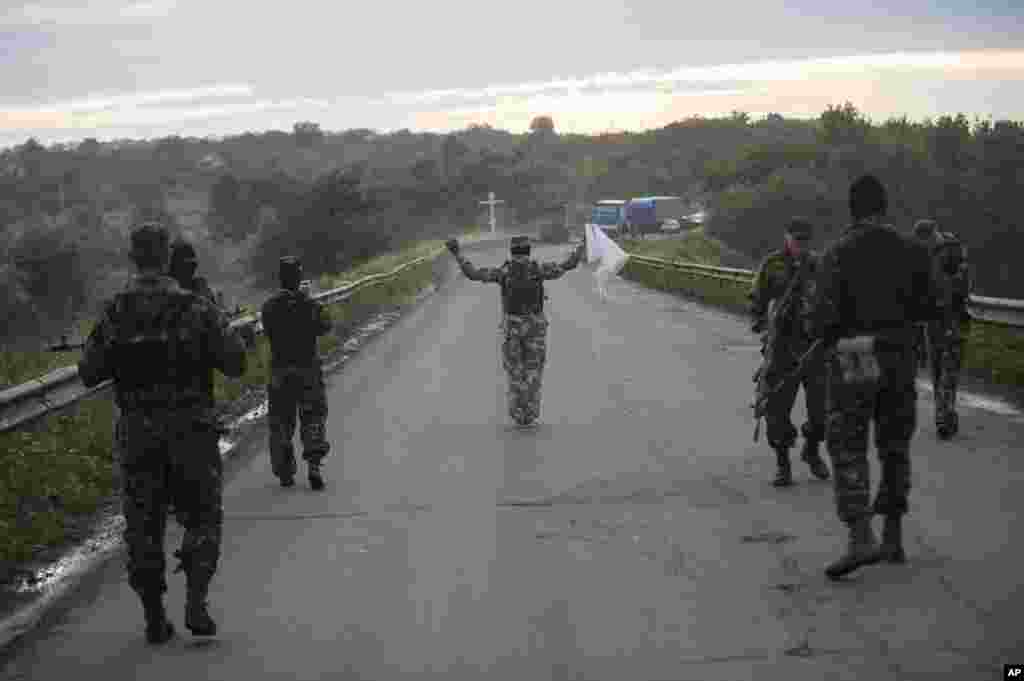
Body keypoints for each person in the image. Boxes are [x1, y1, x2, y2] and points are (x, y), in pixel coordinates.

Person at [78, 222, 247, 643]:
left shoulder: (116, 310)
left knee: (143, 524)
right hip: (192, 430)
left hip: (138, 433)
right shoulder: (196, 307)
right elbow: (235, 362)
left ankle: (154, 616)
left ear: (132, 257)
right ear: (167, 255)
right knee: (202, 516)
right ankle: (196, 601)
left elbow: (89, 371)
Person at [807, 175, 938, 580]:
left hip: (855, 354)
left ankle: (862, 534)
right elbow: (930, 306)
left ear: (852, 209)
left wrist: (827, 335)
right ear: (885, 207)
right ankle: (893, 536)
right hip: (899, 354)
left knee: (848, 444)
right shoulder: (913, 251)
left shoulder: (837, 253)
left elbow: (822, 319)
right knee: (895, 445)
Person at [447, 235, 583, 428]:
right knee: (533, 370)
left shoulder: (504, 271)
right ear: (529, 251)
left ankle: (518, 412)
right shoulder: (538, 269)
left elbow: (473, 273)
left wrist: (457, 254)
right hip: (535, 327)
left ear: (512, 252)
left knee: (514, 371)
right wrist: (582, 248)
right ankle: (531, 413)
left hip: (512, 328)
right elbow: (568, 265)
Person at [749, 218, 831, 487]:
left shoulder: (820, 265)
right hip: (782, 349)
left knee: (823, 411)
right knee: (777, 412)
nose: (800, 245)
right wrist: (763, 325)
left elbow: (834, 300)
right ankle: (782, 463)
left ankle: (812, 450)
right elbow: (757, 300)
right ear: (786, 237)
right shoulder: (772, 265)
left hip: (814, 348)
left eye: (805, 241)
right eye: (796, 240)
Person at [260, 256, 333, 490]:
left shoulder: (269, 306)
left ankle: (284, 472)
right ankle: (313, 467)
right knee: (313, 417)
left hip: (280, 371)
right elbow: (326, 326)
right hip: (308, 369)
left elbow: (267, 330)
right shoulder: (310, 304)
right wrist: (307, 299)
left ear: (280, 278)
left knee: (281, 422)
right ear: (299, 278)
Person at [912, 219, 972, 439]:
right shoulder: (931, 254)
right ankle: (945, 414)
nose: (923, 243)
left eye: (924, 239)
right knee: (940, 373)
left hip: (950, 322)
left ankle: (943, 417)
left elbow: (959, 288)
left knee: (946, 373)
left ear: (932, 234)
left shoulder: (951, 252)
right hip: (937, 323)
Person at [168, 238, 218, 305]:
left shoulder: (199, 286)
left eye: (192, 265)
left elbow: (214, 308)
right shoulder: (165, 285)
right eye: (188, 265)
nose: (193, 269)